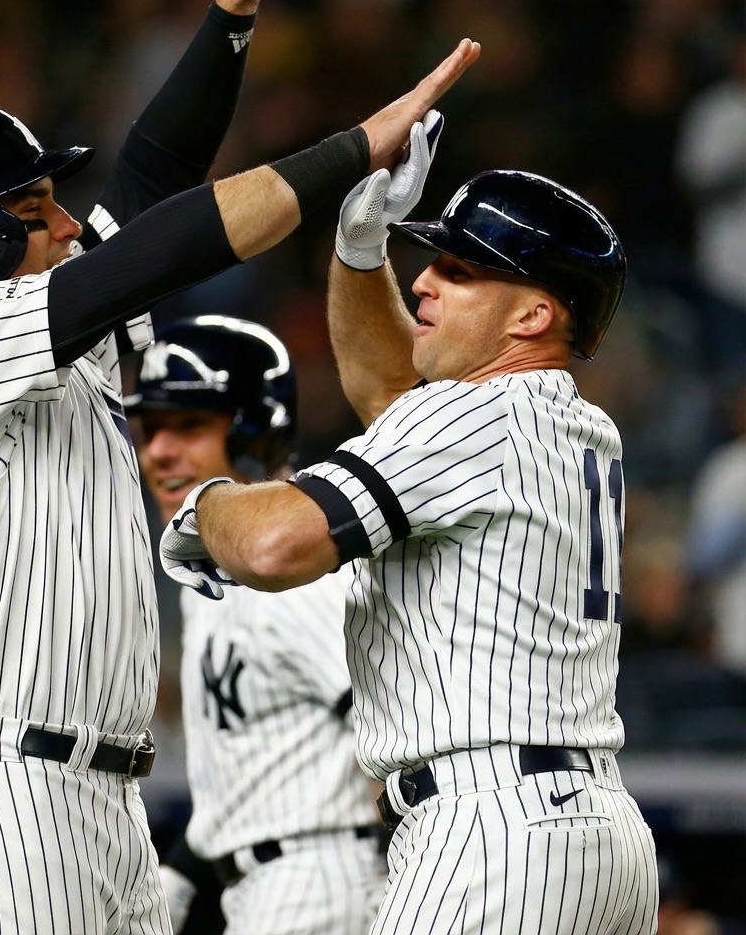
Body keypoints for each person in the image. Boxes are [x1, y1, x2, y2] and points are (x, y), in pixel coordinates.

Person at [0, 0, 482, 933]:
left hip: (99, 805)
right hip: (2, 796)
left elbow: (148, 179)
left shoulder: (52, 323)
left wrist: (233, 11)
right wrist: (352, 146)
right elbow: (163, 245)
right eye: (31, 210)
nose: (61, 220)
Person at [158, 113, 661, 934]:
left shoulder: (478, 418)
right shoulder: (564, 421)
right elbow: (396, 406)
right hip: (590, 832)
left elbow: (277, 542)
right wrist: (362, 251)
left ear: (532, 317)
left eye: (458, 271)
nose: (424, 281)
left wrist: (203, 499)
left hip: (491, 838)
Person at [126, 314, 386, 935]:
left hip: (322, 881)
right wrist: (183, 874)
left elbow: (394, 736)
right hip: (271, 883)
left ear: (253, 434)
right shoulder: (215, 569)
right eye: (151, 427)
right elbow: (256, 770)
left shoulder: (291, 573)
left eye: (188, 427)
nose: (158, 451)